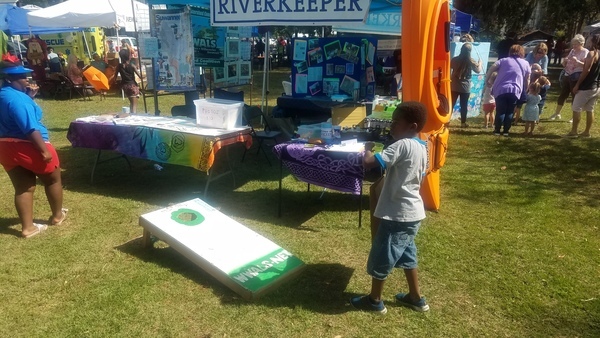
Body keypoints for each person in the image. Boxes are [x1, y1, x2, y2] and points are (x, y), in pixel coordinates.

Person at [351, 102, 429, 315]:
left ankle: (375, 301)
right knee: (407, 254)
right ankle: (415, 298)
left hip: (396, 214)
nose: (391, 126)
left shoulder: (401, 145)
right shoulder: (423, 147)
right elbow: (421, 175)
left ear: (412, 125)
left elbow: (370, 163)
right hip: (412, 213)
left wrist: (366, 150)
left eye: (396, 122)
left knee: (382, 255)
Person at [0, 57, 67, 238]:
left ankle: (28, 228)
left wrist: (28, 97)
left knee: (23, 187)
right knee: (53, 179)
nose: (26, 79)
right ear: (8, 79)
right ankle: (57, 216)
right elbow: (29, 126)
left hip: (5, 147)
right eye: (21, 77)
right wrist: (43, 150)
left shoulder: (5, 95)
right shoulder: (17, 99)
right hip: (30, 144)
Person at [485, 44, 531, 136]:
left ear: (510, 51)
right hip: (515, 90)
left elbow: (492, 68)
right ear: (522, 53)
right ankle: (506, 131)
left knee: (500, 111)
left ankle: (497, 130)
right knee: (510, 111)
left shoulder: (503, 60)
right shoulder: (525, 63)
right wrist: (526, 88)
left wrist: (487, 80)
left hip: (500, 89)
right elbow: (527, 78)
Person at [568, 34, 600, 138]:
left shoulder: (591, 54)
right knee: (590, 109)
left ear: (593, 42)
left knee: (576, 107)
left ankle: (573, 132)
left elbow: (586, 70)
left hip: (587, 86)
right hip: (596, 86)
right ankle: (586, 132)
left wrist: (577, 84)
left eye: (589, 40)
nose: (587, 42)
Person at [549, 35, 588, 120]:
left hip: (576, 75)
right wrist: (565, 61)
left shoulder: (585, 52)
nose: (574, 46)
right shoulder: (572, 51)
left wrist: (577, 61)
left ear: (581, 43)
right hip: (568, 73)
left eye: (576, 44)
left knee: (574, 96)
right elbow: (566, 61)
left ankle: (573, 117)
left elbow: (586, 65)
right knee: (563, 94)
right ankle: (557, 113)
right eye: (573, 44)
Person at [450, 43, 482, 127]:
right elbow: (478, 70)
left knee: (451, 104)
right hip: (465, 87)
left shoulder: (455, 59)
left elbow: (450, 66)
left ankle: (447, 121)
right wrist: (480, 63)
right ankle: (463, 123)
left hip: (454, 85)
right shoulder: (471, 61)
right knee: (463, 105)